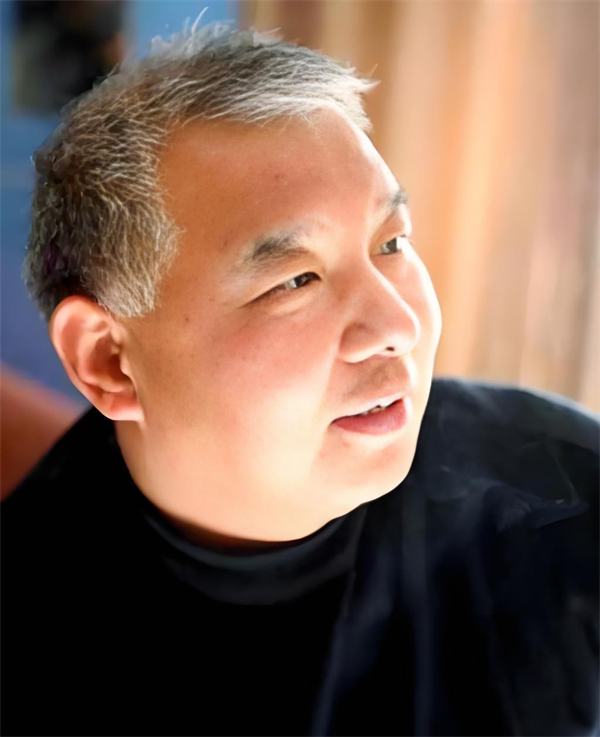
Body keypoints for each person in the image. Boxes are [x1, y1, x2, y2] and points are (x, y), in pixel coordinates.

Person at [2, 21, 598, 737]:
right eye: (296, 280)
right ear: (109, 359)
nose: (398, 324)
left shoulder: (567, 485)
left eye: (392, 243)